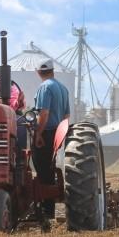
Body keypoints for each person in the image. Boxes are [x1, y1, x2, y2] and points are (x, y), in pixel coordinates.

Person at [32, 59, 70, 219]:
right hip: (58, 132)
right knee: (49, 168)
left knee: (42, 170)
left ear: (38, 72)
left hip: (47, 132)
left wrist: (38, 134)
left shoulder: (45, 87)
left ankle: (47, 211)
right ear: (53, 71)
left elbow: (44, 113)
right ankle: (48, 210)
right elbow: (67, 116)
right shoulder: (63, 88)